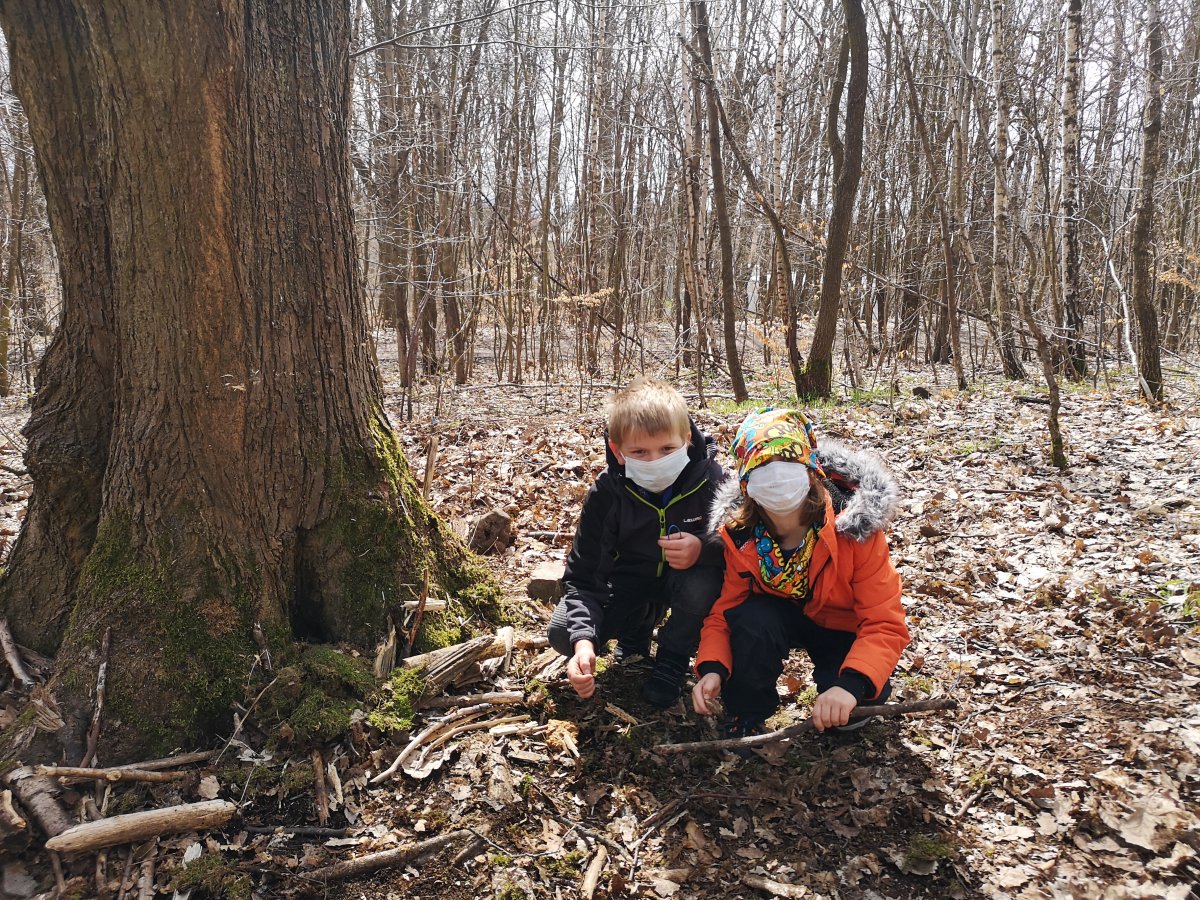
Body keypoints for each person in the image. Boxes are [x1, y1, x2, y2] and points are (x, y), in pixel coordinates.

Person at [692, 407, 909, 738]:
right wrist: (712, 666)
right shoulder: (741, 536)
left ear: (810, 470)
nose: (777, 476)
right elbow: (726, 611)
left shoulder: (855, 528)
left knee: (851, 711)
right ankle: (746, 712)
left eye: (788, 462)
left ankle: (842, 686)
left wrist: (851, 685)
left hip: (842, 625)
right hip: (778, 618)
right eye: (762, 465)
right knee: (750, 619)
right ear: (746, 482)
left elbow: (884, 622)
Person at [547, 377, 728, 707]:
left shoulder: (711, 481)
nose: (654, 460)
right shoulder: (607, 492)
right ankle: (638, 627)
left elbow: (741, 546)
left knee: (702, 584)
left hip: (686, 584)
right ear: (618, 451)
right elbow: (583, 578)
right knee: (564, 632)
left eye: (667, 449)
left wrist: (703, 549)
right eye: (639, 452)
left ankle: (673, 657)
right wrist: (584, 642)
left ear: (687, 440)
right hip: (627, 585)